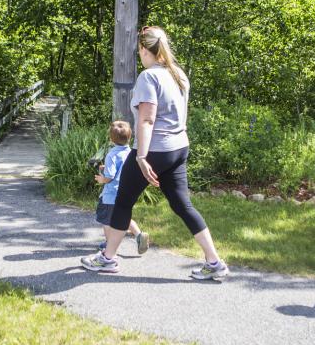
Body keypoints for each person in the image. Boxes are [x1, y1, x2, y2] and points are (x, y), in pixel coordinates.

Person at [81, 26, 228, 279]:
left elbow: (147, 121)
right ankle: (214, 263)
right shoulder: (179, 74)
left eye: (139, 50)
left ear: (143, 50)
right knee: (183, 205)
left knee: (123, 202)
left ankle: (107, 259)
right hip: (179, 148)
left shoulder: (149, 77)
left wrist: (140, 157)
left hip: (154, 151)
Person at [94, 120, 150, 255]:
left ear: (111, 139)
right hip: (124, 191)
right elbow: (121, 169)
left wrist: (102, 179)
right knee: (123, 216)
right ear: (130, 137)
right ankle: (139, 235)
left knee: (107, 221)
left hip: (111, 194)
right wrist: (106, 168)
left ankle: (109, 246)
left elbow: (110, 176)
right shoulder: (131, 153)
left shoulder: (112, 154)